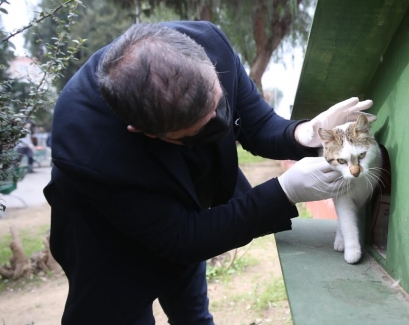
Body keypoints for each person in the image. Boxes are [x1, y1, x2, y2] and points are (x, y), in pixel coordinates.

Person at [44, 21, 375, 325]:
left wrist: (305, 133)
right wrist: (284, 191)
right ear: (144, 131)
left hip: (187, 202)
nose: (220, 125)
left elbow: (257, 124)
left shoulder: (209, 43)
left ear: (207, 64)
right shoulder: (86, 148)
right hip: (105, 241)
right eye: (198, 131)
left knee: (192, 311)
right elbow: (182, 237)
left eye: (220, 106)